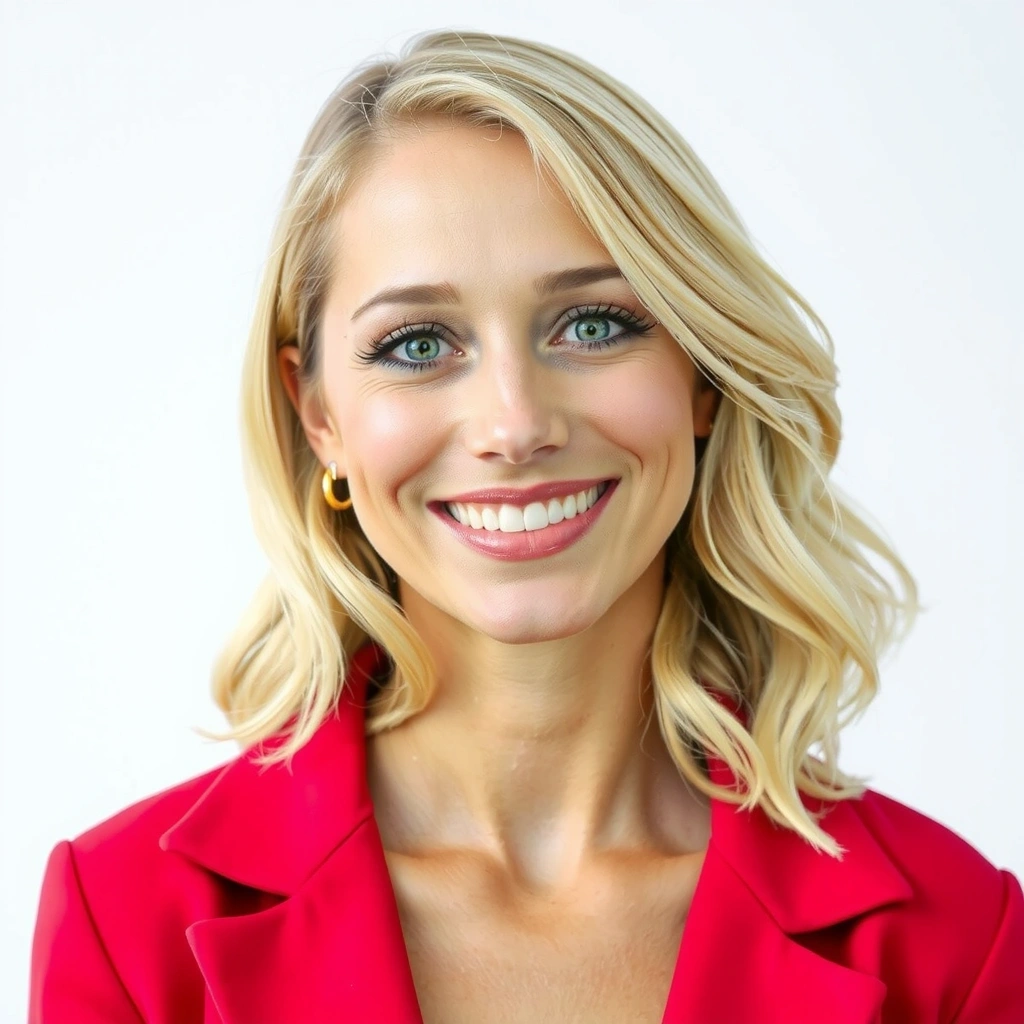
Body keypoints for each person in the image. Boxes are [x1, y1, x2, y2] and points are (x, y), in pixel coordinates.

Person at [28, 28, 1023, 1024]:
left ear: (703, 378)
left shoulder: (961, 942)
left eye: (594, 324)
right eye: (417, 343)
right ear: (319, 415)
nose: (515, 424)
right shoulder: (126, 922)